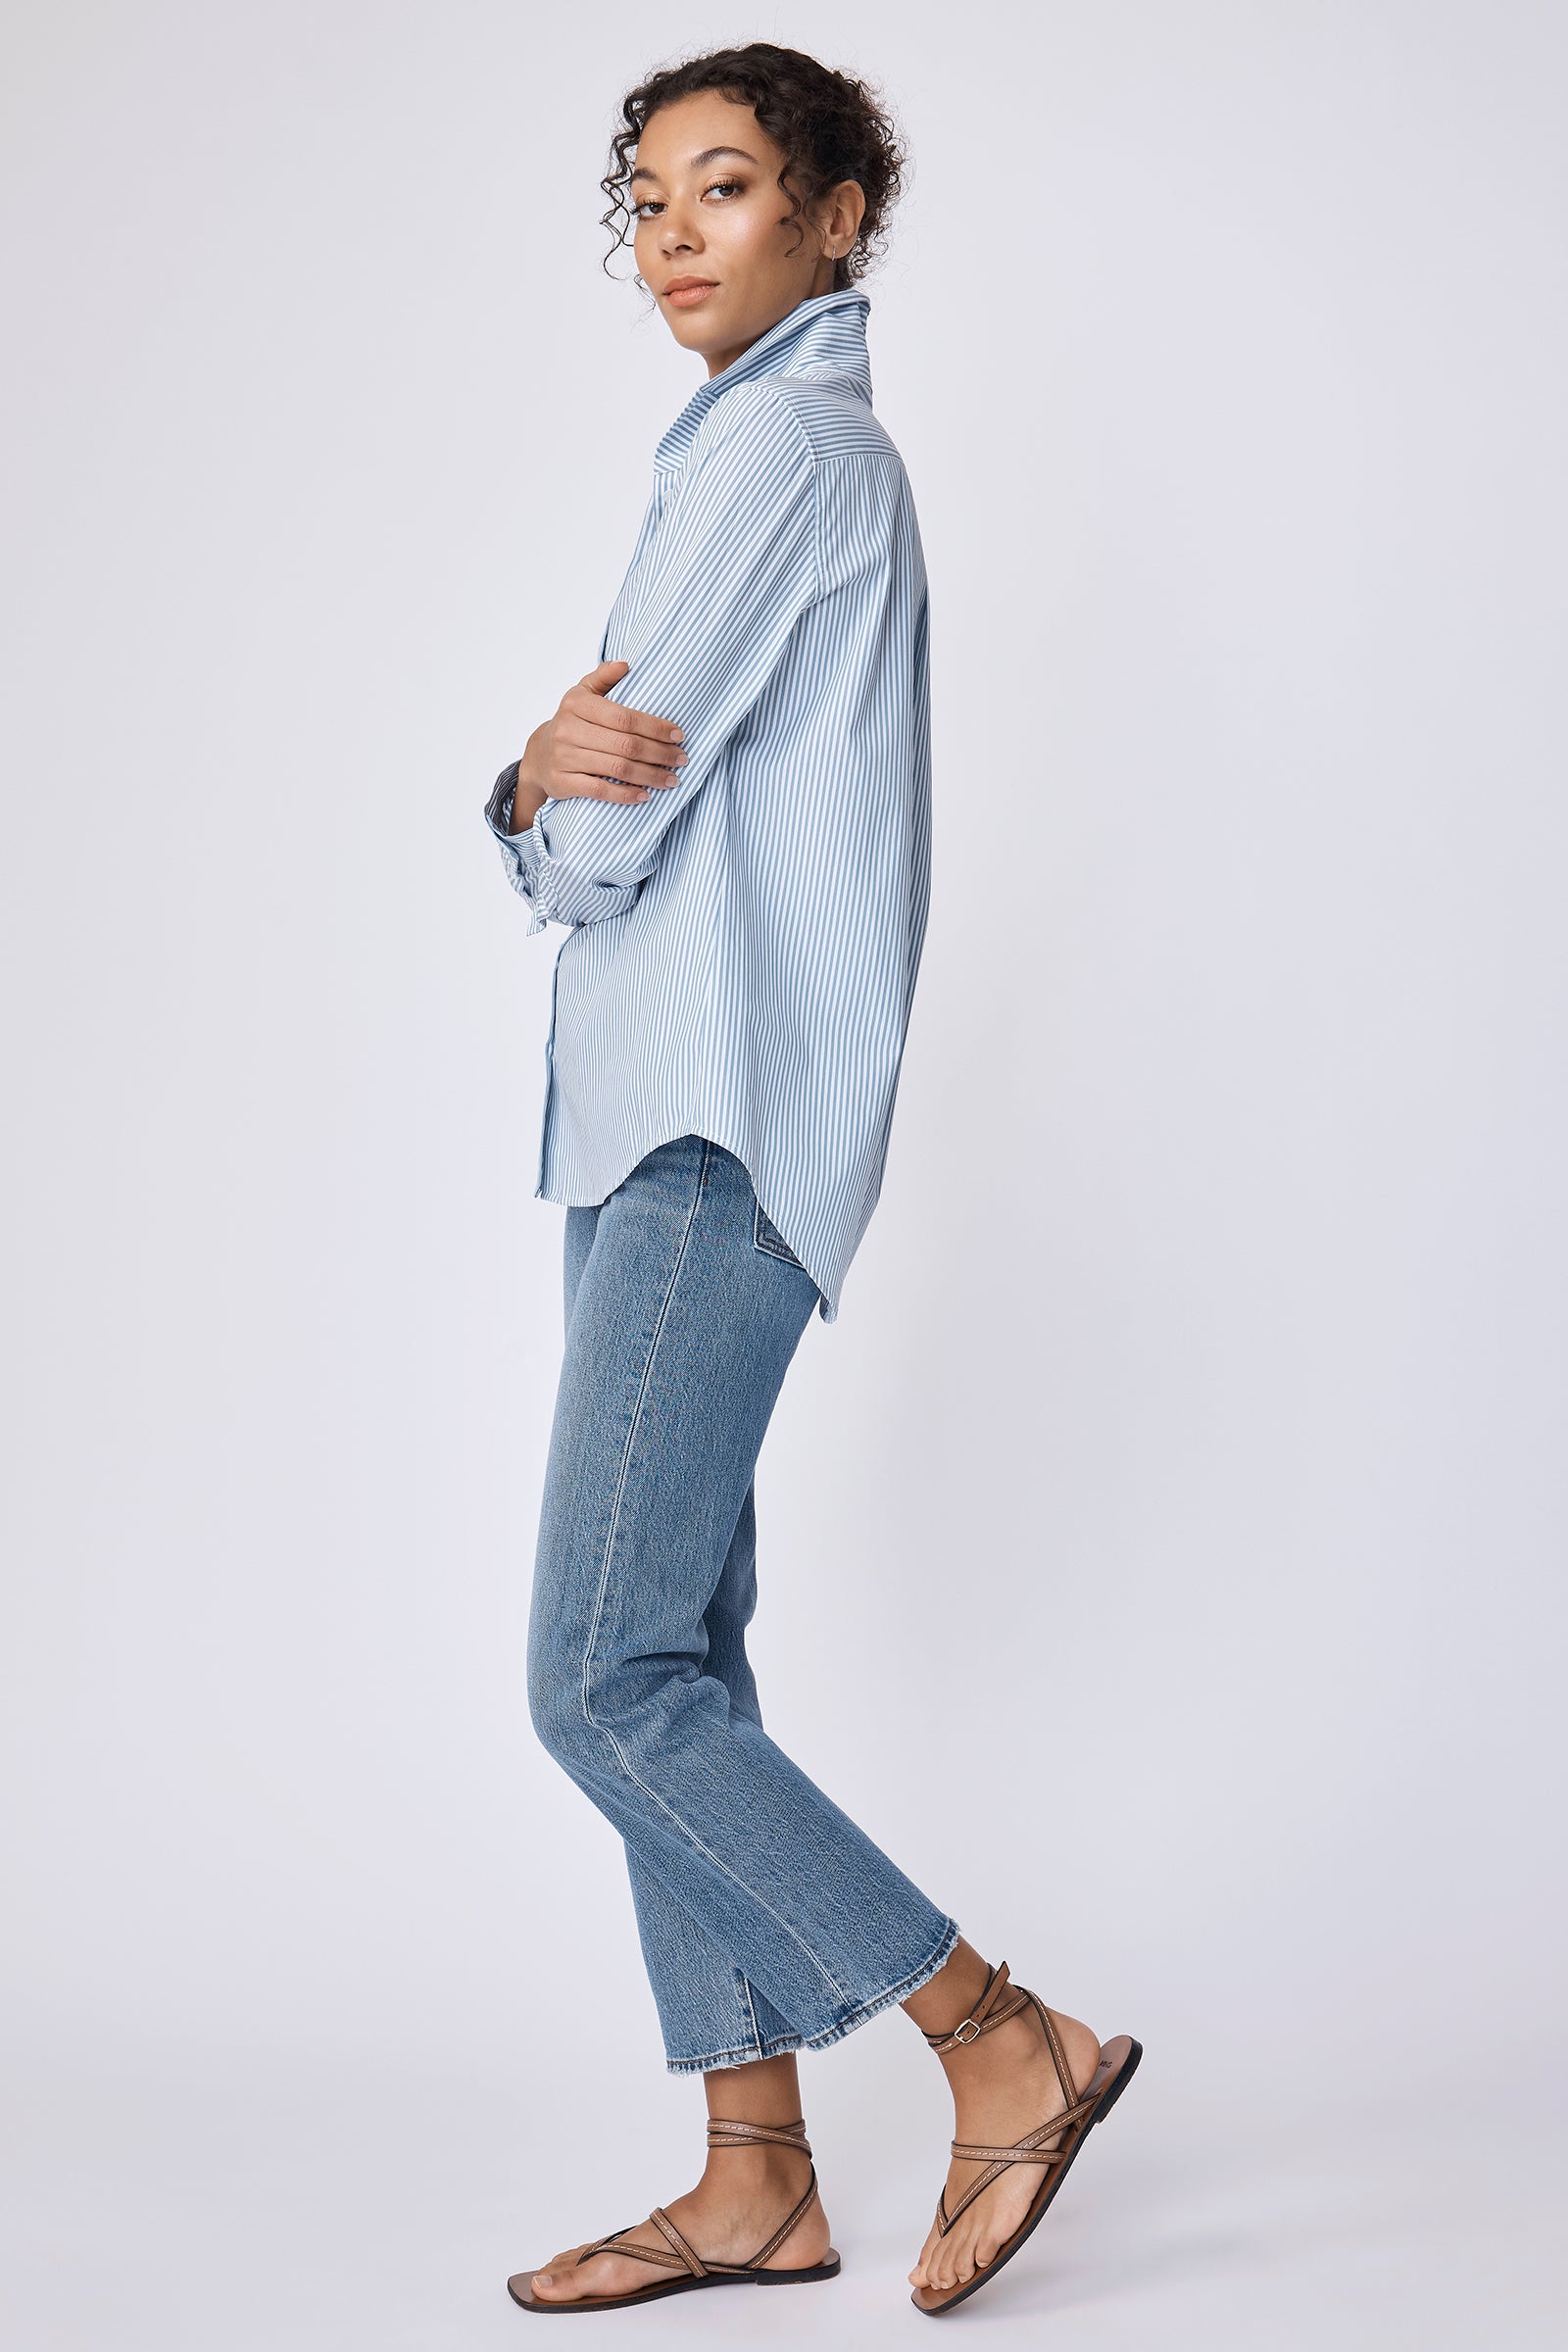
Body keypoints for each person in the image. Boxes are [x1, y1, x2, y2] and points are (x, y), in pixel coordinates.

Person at [482, 41, 1140, 2320]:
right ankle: (752, 2175)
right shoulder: (760, 447)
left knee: (598, 1679)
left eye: (727, 188)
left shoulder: (777, 453)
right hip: (655, 1124)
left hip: (705, 1125)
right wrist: (537, 774)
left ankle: (995, 2035)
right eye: (647, 200)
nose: (674, 235)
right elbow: (596, 786)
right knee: (680, 1655)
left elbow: (602, 831)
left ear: (834, 216)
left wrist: (525, 789)